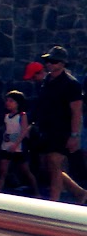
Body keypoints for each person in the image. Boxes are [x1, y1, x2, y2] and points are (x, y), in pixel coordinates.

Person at [34, 45, 86, 204]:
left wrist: (74, 135)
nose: (49, 64)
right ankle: (79, 192)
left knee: (55, 162)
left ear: (62, 63)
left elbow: (76, 111)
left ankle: (54, 202)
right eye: (48, 60)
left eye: (54, 61)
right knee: (48, 165)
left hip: (62, 130)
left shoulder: (71, 84)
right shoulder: (46, 81)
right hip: (46, 129)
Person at [0, 89, 39, 194]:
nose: (8, 103)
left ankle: (36, 192)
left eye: (11, 101)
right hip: (6, 146)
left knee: (25, 170)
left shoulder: (22, 116)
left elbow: (24, 131)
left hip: (18, 147)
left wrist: (16, 144)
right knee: (2, 171)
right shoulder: (6, 116)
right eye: (7, 100)